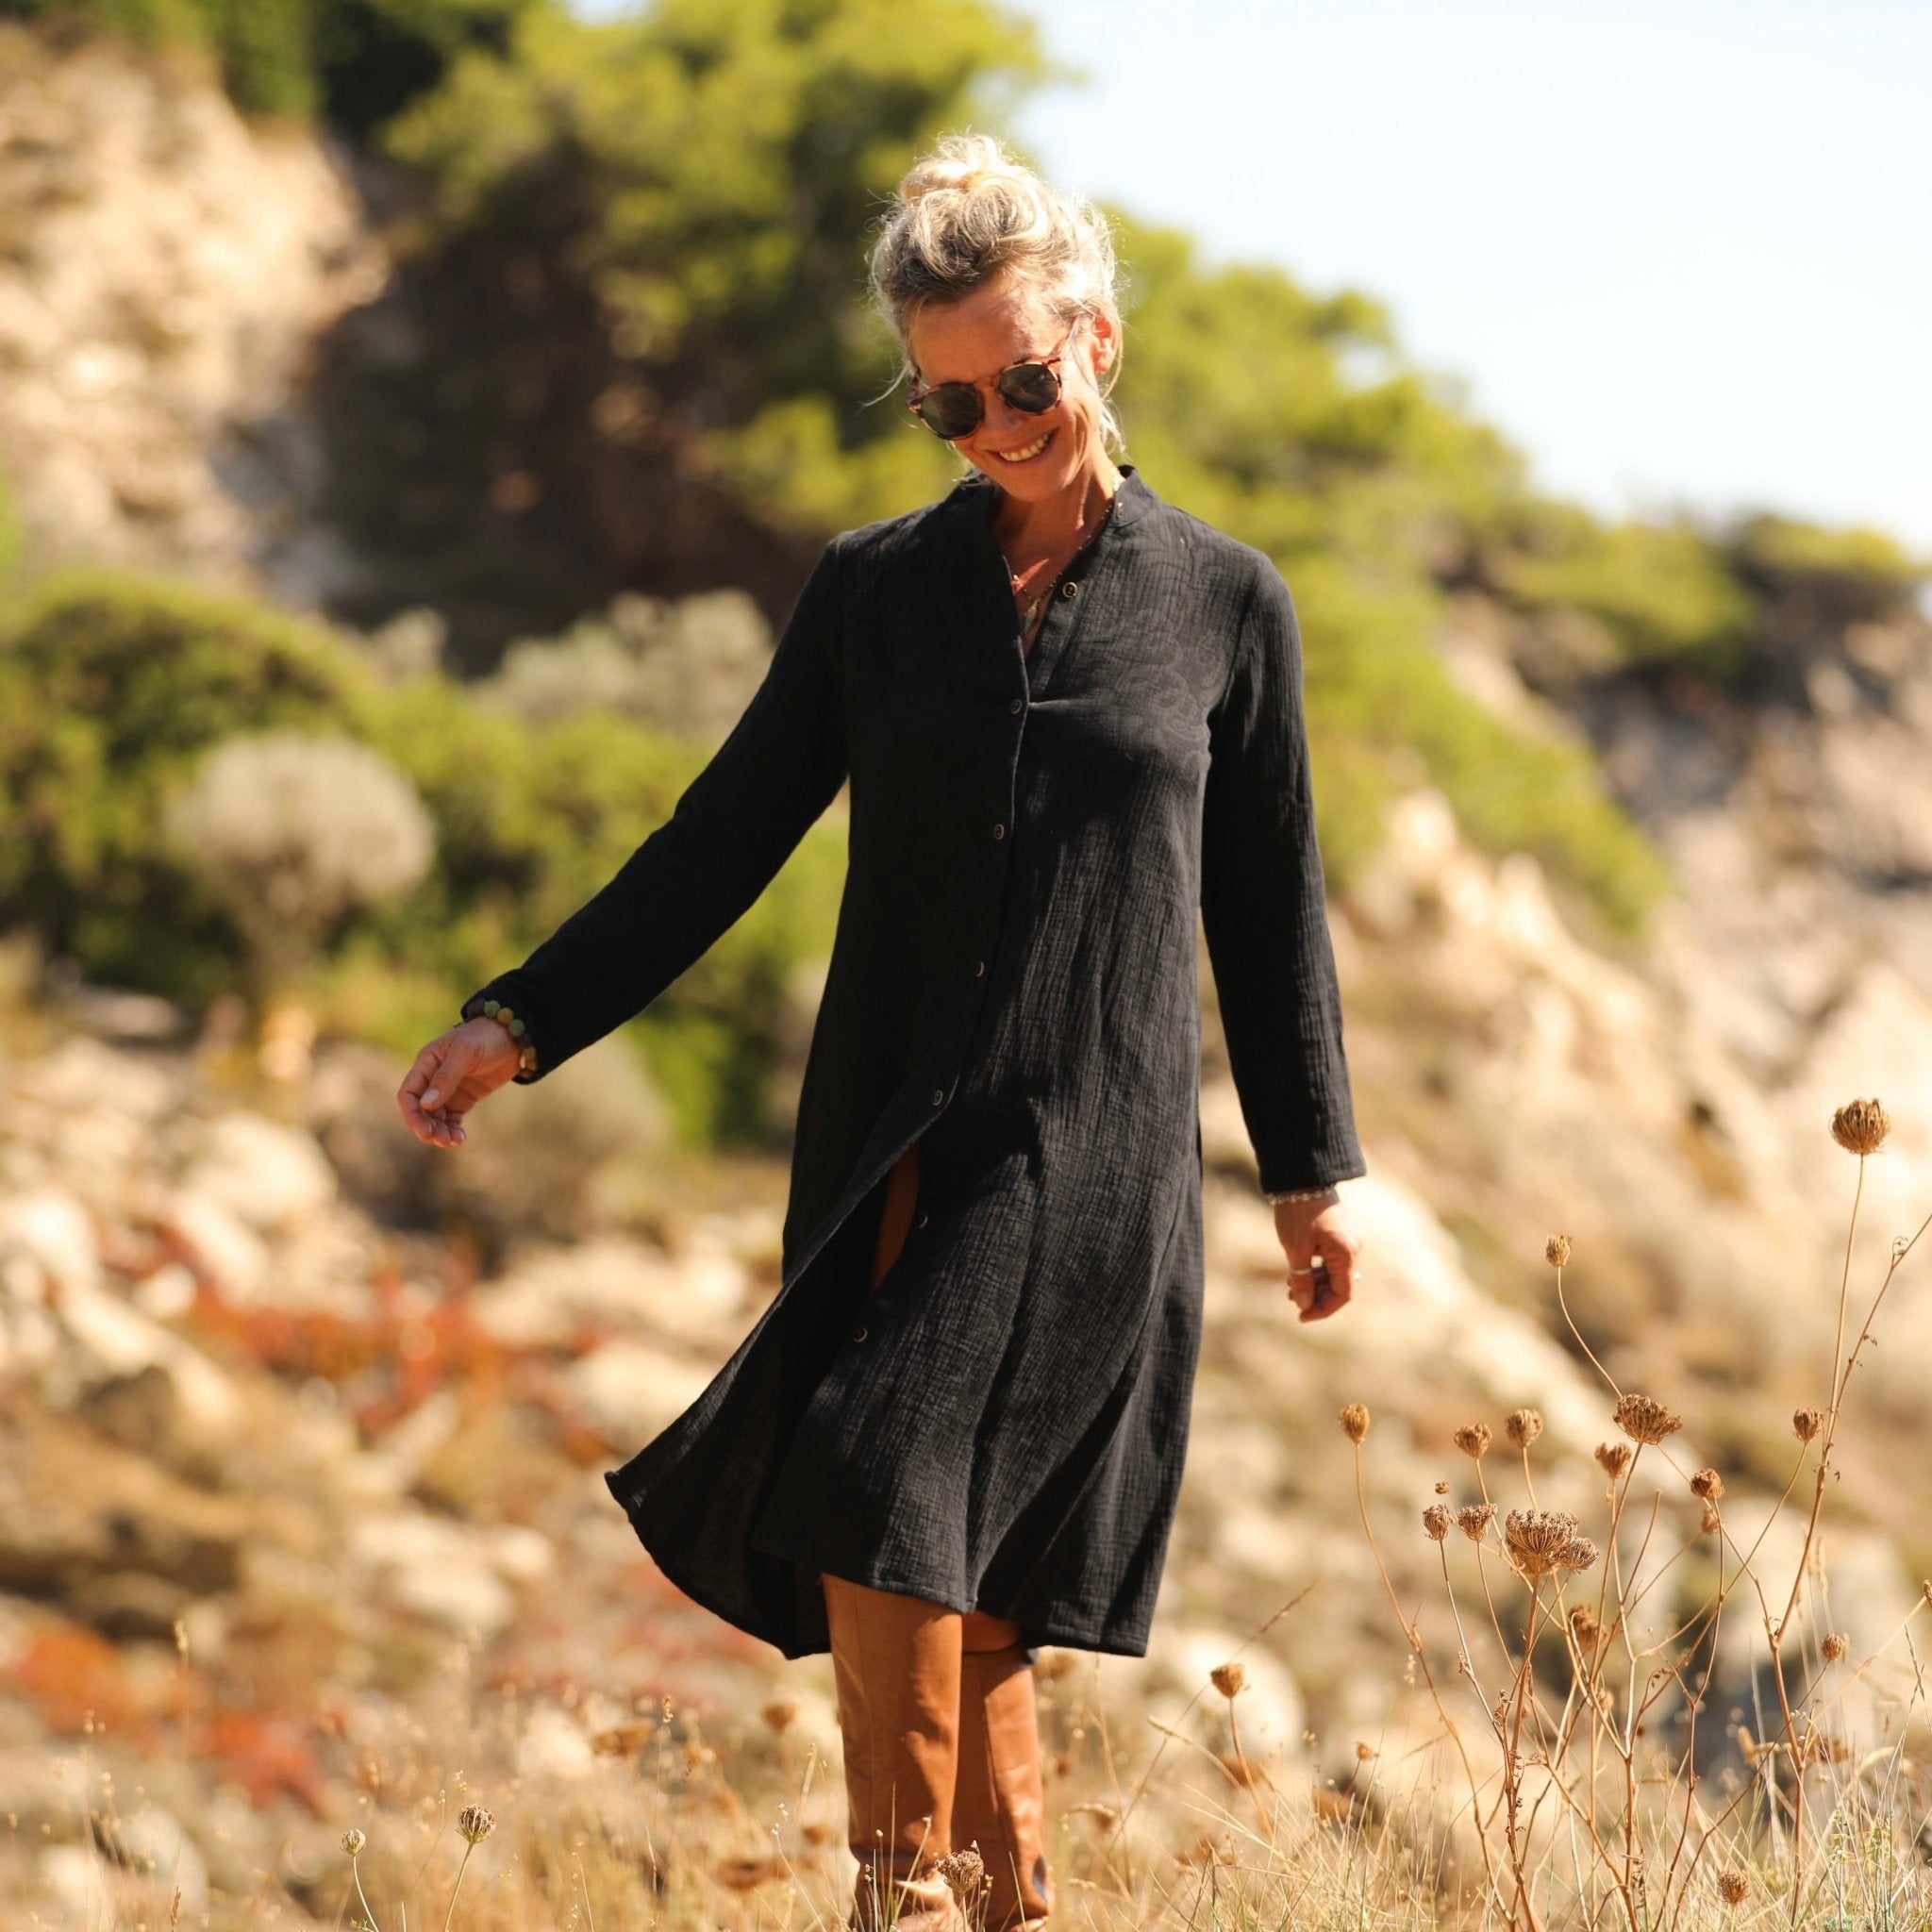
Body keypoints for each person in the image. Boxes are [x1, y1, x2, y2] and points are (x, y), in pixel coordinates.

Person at [397, 131, 1365, 1932]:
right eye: (949, 407)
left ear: (1096, 344)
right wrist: (521, 1018)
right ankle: (1003, 1908)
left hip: (1090, 1144)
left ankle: (897, 1902)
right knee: (951, 1569)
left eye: (1023, 383)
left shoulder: (1228, 605)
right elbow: (721, 837)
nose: (995, 430)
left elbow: (1269, 903)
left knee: (878, 1472)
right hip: (889, 1132)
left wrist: (1311, 1174)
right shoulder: (874, 591)